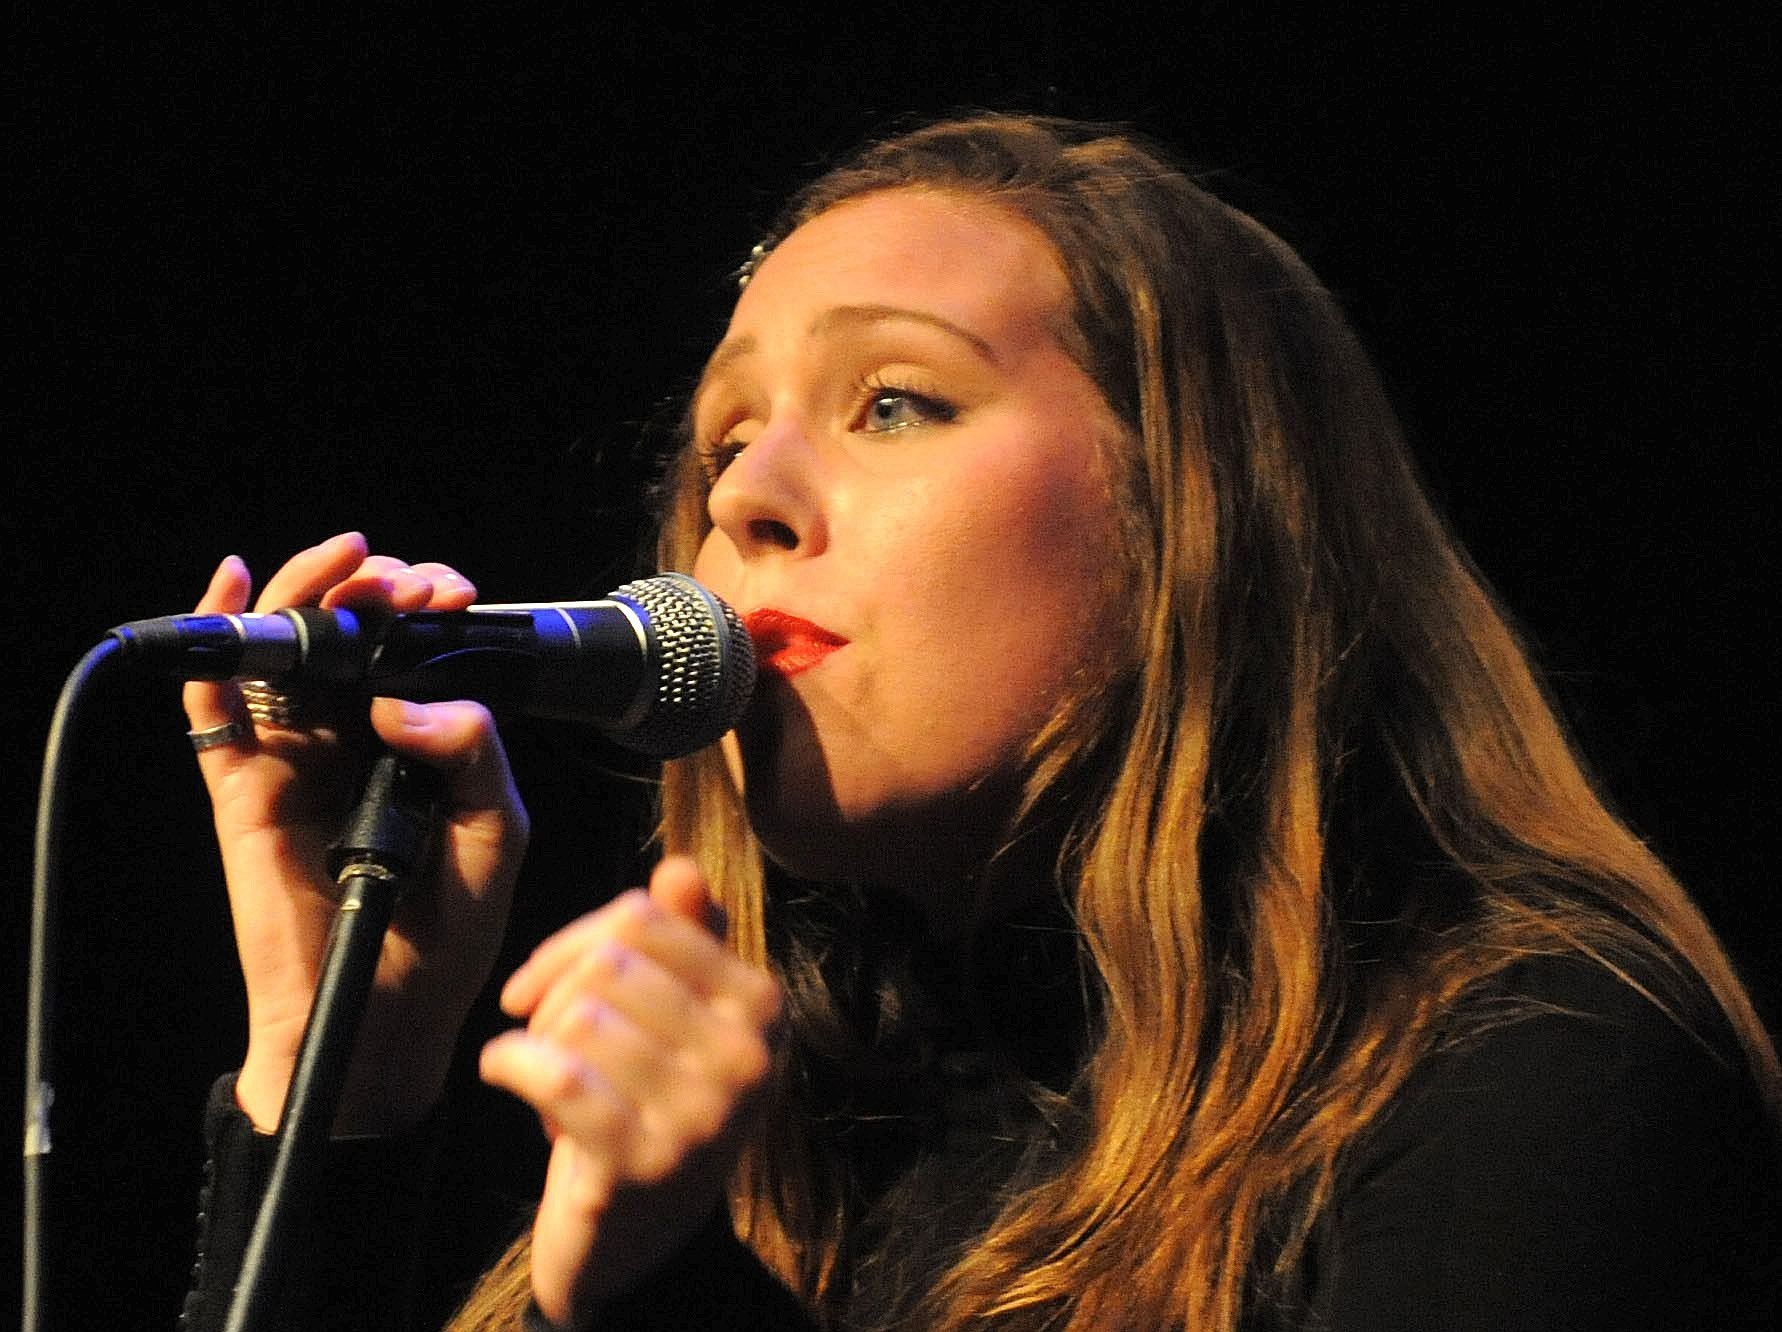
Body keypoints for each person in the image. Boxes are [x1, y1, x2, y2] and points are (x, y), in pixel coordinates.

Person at [178, 115, 1780, 1331]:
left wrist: (672, 1297)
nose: (743, 491)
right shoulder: (812, 1125)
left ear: (1195, 519)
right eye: (727, 436)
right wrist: (337, 1074)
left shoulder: (1540, 1083)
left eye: (895, 403)